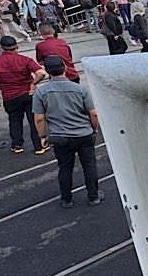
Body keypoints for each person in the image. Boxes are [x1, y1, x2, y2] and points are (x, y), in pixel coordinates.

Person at [33, 55, 103, 208]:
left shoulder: (41, 92)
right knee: (89, 166)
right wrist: (94, 129)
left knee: (64, 168)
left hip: (60, 137)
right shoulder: (80, 89)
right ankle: (93, 196)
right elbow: (93, 113)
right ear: (64, 68)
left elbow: (39, 118)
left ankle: (66, 199)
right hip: (84, 134)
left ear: (48, 72)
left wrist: (43, 136)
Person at [0, 36, 48, 155]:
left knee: (14, 120)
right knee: (33, 120)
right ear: (16, 47)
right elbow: (41, 73)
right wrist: (34, 83)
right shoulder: (24, 60)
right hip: (28, 94)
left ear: (2, 48)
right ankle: (39, 146)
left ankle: (17, 145)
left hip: (10, 97)